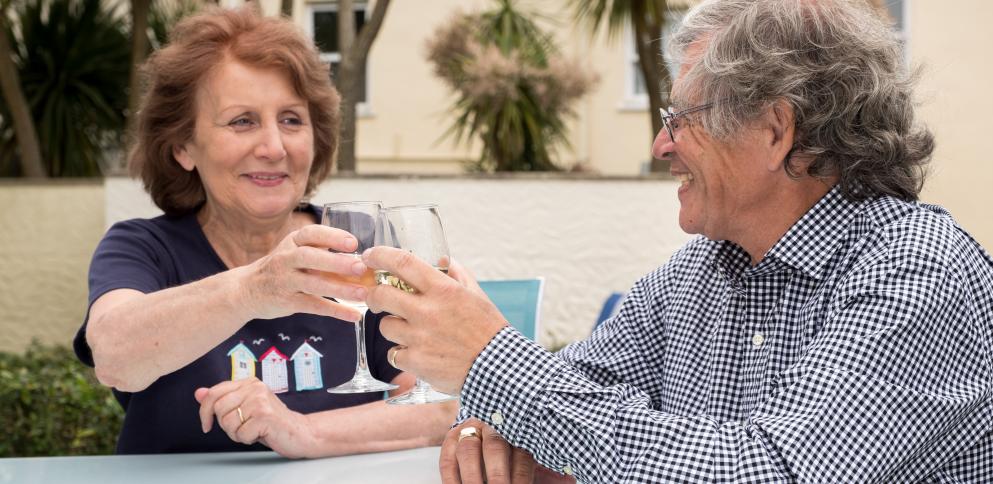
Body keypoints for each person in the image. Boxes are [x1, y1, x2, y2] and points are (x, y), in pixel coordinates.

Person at [361, 0, 993, 482]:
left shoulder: (917, 268)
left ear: (776, 130)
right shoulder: (699, 273)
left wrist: (489, 359)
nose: (662, 146)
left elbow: (769, 470)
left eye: (681, 119)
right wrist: (501, 430)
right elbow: (571, 392)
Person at [73, 6, 455, 456]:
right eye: (242, 121)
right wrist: (253, 289)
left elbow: (439, 404)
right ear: (182, 147)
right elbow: (115, 356)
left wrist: (302, 432)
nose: (274, 148)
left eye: (292, 120)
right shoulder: (143, 247)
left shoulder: (366, 245)